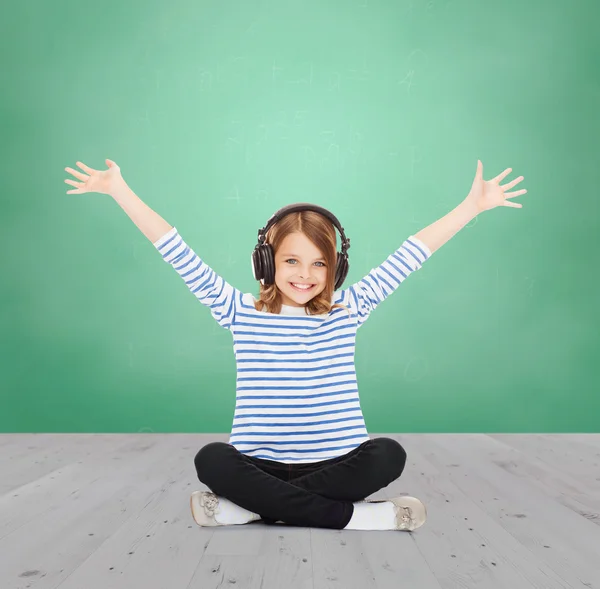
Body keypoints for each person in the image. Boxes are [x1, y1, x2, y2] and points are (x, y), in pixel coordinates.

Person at [64, 158, 526, 531]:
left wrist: (472, 207)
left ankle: (248, 511)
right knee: (211, 458)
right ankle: (358, 519)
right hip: (256, 466)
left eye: (319, 264)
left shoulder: (351, 307)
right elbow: (174, 248)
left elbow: (411, 254)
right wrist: (119, 189)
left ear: (335, 270)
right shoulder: (237, 310)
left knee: (389, 453)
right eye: (291, 260)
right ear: (266, 261)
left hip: (337, 464)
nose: (304, 275)